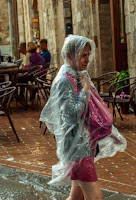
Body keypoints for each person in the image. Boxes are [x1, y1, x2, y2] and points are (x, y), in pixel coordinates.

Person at [40, 35, 127, 200]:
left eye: (88, 54)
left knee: (76, 195)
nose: (88, 59)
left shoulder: (77, 75)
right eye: (83, 55)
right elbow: (71, 115)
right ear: (69, 56)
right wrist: (85, 91)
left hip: (82, 142)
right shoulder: (65, 80)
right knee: (95, 196)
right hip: (77, 146)